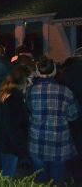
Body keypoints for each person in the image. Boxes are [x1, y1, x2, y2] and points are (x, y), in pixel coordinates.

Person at [27, 56, 80, 184]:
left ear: (38, 72)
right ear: (54, 71)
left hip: (37, 141)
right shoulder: (66, 92)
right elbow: (73, 115)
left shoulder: (31, 91)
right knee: (58, 180)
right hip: (59, 142)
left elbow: (28, 111)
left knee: (39, 180)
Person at [0, 65, 29, 177]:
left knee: (5, 174)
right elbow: (12, 125)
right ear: (23, 80)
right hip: (10, 145)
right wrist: (19, 146)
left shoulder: (8, 93)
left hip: (4, 142)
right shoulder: (15, 98)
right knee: (8, 176)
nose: (32, 82)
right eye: (30, 78)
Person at [62, 47, 82, 183]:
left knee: (75, 142)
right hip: (75, 107)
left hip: (74, 109)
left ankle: (75, 174)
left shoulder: (68, 71)